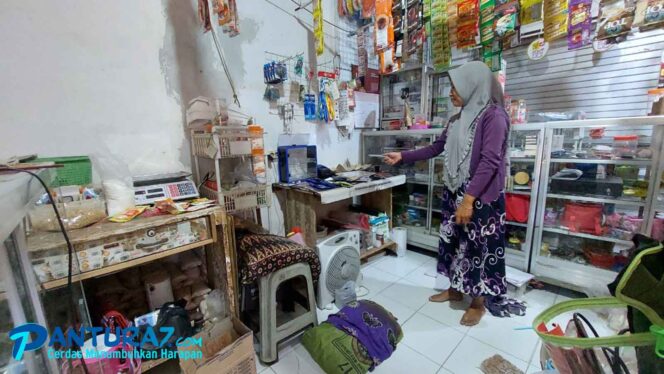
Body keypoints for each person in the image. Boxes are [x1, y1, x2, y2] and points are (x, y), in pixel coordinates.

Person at [383, 61, 510, 326]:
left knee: (478, 249)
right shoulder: (456, 119)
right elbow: (436, 148)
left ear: (472, 86)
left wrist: (468, 200)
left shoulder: (494, 117)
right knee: (453, 244)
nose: (451, 92)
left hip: (479, 197)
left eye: (456, 87)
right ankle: (455, 289)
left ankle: (478, 303)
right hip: (456, 190)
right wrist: (403, 156)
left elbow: (489, 162)